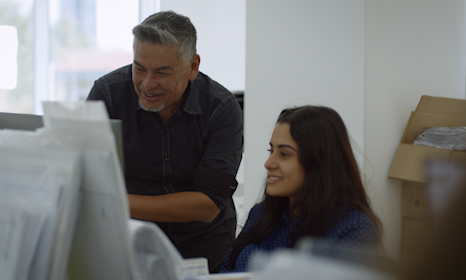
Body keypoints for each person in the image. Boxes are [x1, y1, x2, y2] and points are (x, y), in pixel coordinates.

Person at [86, 11, 243, 272]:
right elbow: (86, 177)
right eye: (139, 68)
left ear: (193, 66)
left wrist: (115, 202)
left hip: (204, 252)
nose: (147, 84)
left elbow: (207, 205)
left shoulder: (221, 107)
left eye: (162, 72)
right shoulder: (108, 94)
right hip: (129, 247)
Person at [220, 106, 382, 272]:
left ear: (320, 161)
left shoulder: (354, 228)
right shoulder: (261, 214)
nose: (268, 163)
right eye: (271, 150)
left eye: (284, 154)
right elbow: (225, 272)